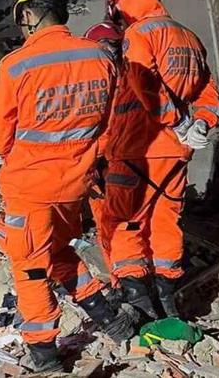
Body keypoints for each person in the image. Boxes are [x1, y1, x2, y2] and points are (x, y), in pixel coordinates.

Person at [0, 0, 133, 372]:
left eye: (21, 17)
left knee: (31, 270)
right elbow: (109, 127)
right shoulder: (100, 56)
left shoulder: (16, 65)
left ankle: (45, 355)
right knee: (58, 254)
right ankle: (111, 320)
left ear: (30, 13)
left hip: (30, 189)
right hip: (76, 185)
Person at [103, 0, 219, 318]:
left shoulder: (140, 34)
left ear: (120, 8)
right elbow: (209, 95)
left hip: (138, 148)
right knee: (165, 223)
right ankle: (168, 302)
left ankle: (140, 306)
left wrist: (177, 121)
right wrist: (201, 123)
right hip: (176, 152)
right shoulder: (189, 37)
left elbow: (146, 85)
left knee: (125, 223)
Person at [84, 21, 125, 288]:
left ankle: (127, 283)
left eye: (112, 47)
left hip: (115, 164)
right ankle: (121, 282)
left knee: (119, 227)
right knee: (109, 228)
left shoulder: (125, 82)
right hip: (103, 166)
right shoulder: (128, 80)